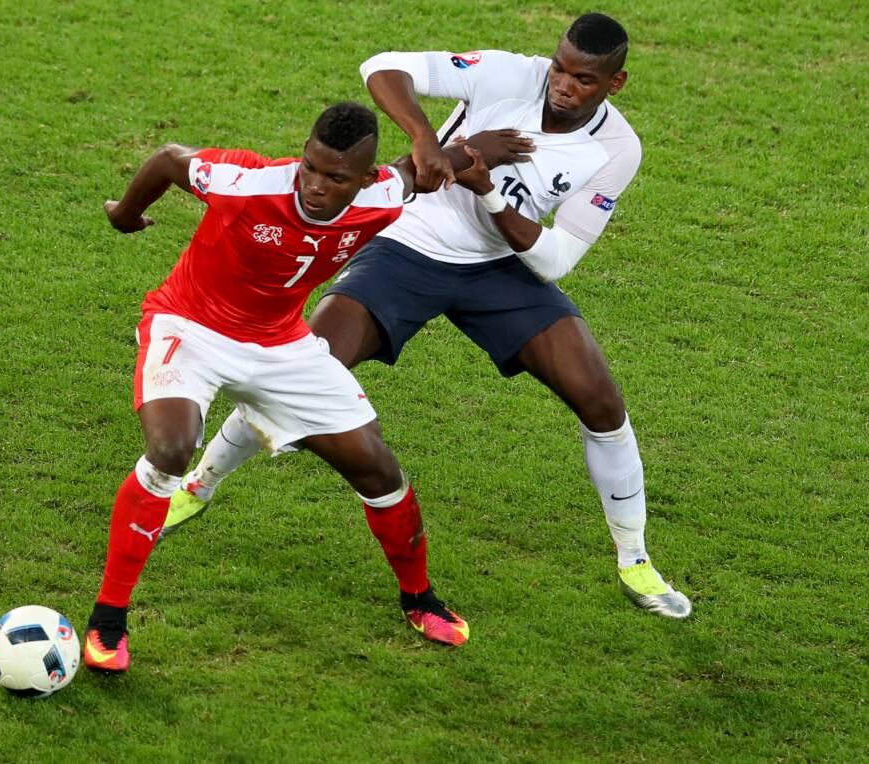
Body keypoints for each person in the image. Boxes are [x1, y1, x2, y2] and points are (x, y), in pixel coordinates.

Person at [167, 14, 693, 619]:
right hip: (408, 246)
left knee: (599, 399)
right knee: (306, 361)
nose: (562, 86)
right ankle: (196, 485)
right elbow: (381, 66)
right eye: (558, 69)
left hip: (503, 269)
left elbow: (555, 259)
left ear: (615, 83)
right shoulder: (503, 73)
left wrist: (485, 185)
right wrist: (423, 138)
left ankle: (635, 559)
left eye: (583, 79)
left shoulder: (617, 150)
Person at [84, 103, 537, 673]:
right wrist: (126, 213)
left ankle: (419, 599)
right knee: (172, 447)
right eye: (311, 168)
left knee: (375, 466)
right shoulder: (245, 182)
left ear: (365, 178)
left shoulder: (384, 194)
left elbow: (427, 167)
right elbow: (170, 160)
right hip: (192, 325)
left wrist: (484, 149)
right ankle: (108, 619)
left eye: (336, 178)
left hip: (282, 345)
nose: (316, 187)